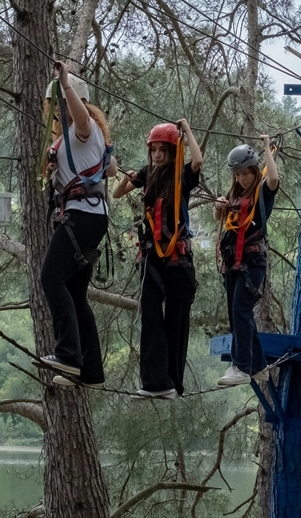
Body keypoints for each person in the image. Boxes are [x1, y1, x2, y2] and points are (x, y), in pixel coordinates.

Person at [39, 63, 116, 388]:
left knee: (51, 278)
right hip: (86, 216)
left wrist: (65, 84)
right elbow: (110, 169)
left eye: (62, 105)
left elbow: (81, 117)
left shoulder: (84, 130)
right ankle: (91, 372)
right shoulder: (72, 139)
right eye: (55, 106)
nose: (58, 111)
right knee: (75, 292)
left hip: (82, 217)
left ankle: (69, 355)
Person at [114, 119, 203, 398]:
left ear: (173, 151)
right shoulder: (147, 173)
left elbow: (198, 160)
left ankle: (173, 383)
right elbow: (117, 194)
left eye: (163, 149)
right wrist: (126, 178)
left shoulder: (182, 173)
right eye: (154, 149)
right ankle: (155, 382)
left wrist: (186, 130)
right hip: (152, 257)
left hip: (177, 258)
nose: (157, 154)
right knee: (151, 316)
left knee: (176, 320)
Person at [214, 136, 280, 387]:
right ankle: (258, 365)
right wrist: (219, 207)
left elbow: (273, 179)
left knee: (240, 310)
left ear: (254, 170)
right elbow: (217, 216)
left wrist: (266, 149)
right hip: (233, 261)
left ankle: (241, 366)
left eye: (246, 174)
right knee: (238, 313)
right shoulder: (235, 193)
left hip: (252, 261)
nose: (242, 179)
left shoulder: (262, 191)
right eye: (238, 174)